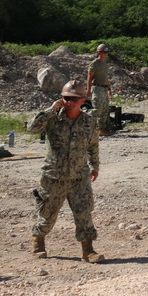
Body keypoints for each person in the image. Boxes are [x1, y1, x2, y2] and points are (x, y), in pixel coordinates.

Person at [27, 80, 104, 263]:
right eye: (66, 98)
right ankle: (38, 242)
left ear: (83, 100)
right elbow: (32, 128)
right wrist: (50, 110)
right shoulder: (52, 118)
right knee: (47, 213)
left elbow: (93, 145)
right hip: (54, 176)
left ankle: (88, 250)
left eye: (73, 99)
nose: (69, 102)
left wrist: (95, 166)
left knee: (84, 212)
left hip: (79, 176)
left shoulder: (89, 121)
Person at [86, 43, 112, 136]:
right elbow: (89, 78)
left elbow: (106, 78)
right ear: (99, 52)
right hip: (97, 88)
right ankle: (87, 123)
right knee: (97, 109)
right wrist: (88, 90)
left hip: (104, 88)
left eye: (106, 52)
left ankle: (101, 129)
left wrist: (109, 89)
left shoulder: (104, 64)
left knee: (105, 109)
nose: (105, 54)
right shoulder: (94, 63)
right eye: (103, 52)